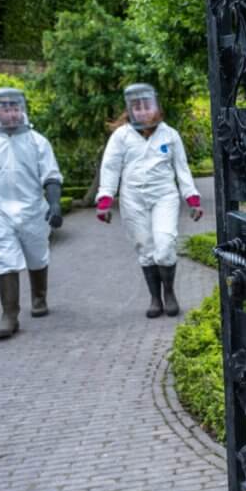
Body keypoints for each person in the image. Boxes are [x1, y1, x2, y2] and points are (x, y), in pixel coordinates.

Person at [95, 83, 202, 318]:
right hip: (132, 198)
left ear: (156, 106)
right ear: (130, 110)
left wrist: (192, 198)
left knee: (164, 246)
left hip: (164, 195)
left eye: (147, 106)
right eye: (138, 108)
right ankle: (155, 298)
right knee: (145, 248)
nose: (143, 112)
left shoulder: (170, 134)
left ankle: (170, 293)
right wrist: (104, 200)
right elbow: (111, 168)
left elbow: (182, 170)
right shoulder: (121, 136)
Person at [0, 87, 64, 340]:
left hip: (33, 209)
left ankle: (39, 297)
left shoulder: (37, 141)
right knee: (4, 260)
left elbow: (51, 177)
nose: (11, 114)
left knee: (37, 256)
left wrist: (54, 204)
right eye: (5, 109)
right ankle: (9, 315)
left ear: (22, 108)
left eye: (15, 108)